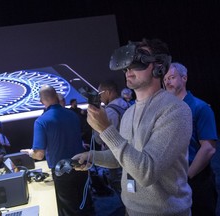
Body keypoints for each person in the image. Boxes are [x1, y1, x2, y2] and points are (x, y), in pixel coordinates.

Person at [72, 38, 193, 215]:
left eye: (138, 60)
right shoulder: (129, 112)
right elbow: (124, 158)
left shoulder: (176, 110)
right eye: (127, 63)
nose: (128, 67)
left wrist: (106, 130)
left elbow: (146, 172)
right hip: (131, 210)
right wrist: (92, 156)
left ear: (158, 66)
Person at [21, 85, 94, 216]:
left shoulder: (41, 121)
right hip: (81, 165)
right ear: (56, 96)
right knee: (85, 204)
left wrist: (30, 152)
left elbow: (39, 154)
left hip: (62, 170)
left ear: (41, 101)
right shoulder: (73, 115)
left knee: (69, 209)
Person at [164, 62, 218, 216]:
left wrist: (186, 177)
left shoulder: (200, 107)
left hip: (195, 178)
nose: (167, 82)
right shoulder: (166, 111)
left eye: (172, 77)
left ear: (184, 78)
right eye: (165, 79)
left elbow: (208, 148)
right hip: (173, 180)